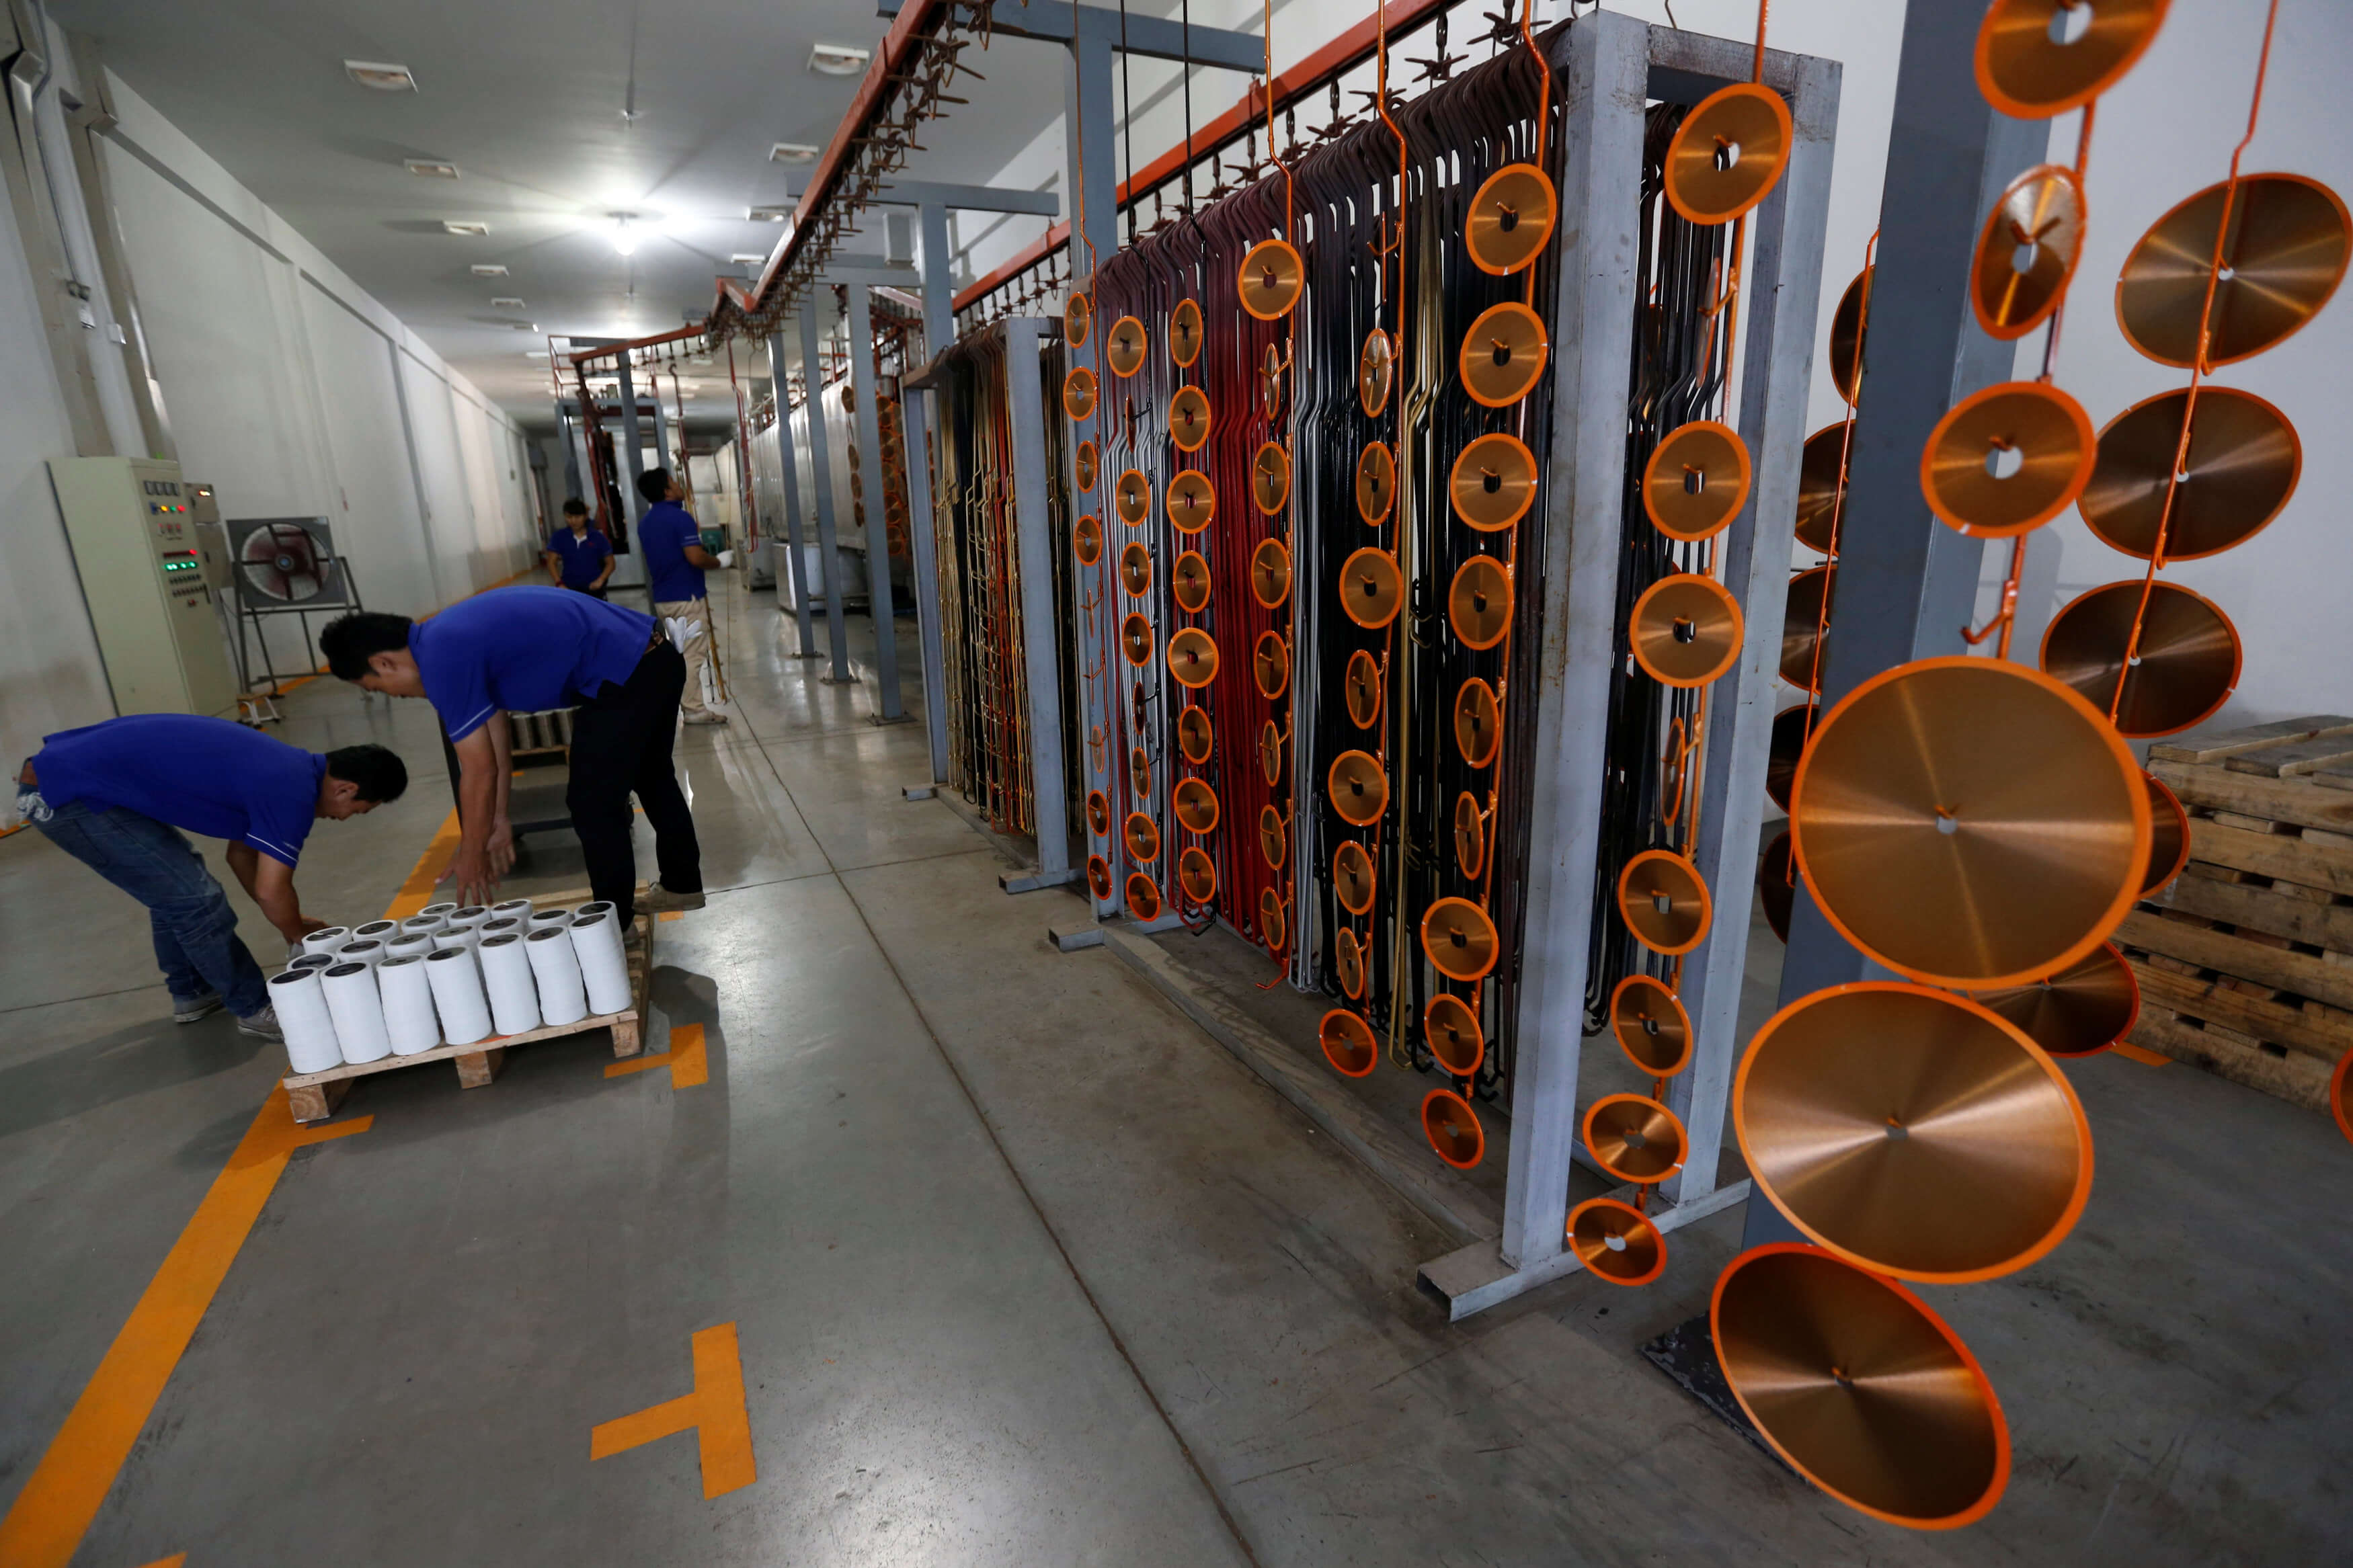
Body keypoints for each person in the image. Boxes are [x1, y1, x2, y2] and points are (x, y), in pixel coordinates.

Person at [320, 587, 703, 923]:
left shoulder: (441, 660)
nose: (397, 696)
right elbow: (495, 739)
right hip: (655, 660)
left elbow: (478, 770)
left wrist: (471, 853)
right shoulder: (445, 637)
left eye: (381, 688)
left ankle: (613, 926)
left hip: (627, 677)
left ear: (383, 663)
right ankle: (681, 884)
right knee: (652, 776)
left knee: (592, 803)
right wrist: (499, 818)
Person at [15, 717, 407, 1040]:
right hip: (64, 793)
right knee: (195, 900)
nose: (343, 819)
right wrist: (296, 935)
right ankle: (255, 1009)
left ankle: (193, 992)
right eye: (356, 811)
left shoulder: (284, 768)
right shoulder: (291, 789)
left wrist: (294, 924)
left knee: (176, 887)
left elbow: (240, 856)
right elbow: (273, 890)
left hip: (83, 780)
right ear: (345, 789)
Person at [635, 467, 732, 726]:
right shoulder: (680, 518)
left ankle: (685, 705)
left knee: (680, 653)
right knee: (692, 654)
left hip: (665, 598)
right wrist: (718, 562)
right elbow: (695, 557)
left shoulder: (646, 523)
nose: (679, 485)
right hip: (686, 598)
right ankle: (695, 710)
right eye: (674, 482)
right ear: (667, 491)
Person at [543, 497, 615, 599]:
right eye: (569, 517)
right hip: (569, 589)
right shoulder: (559, 537)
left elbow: (611, 563)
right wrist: (559, 583)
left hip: (594, 589)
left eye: (577, 517)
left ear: (585, 516)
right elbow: (551, 562)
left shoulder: (597, 537)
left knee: (595, 614)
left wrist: (601, 580)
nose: (573, 521)